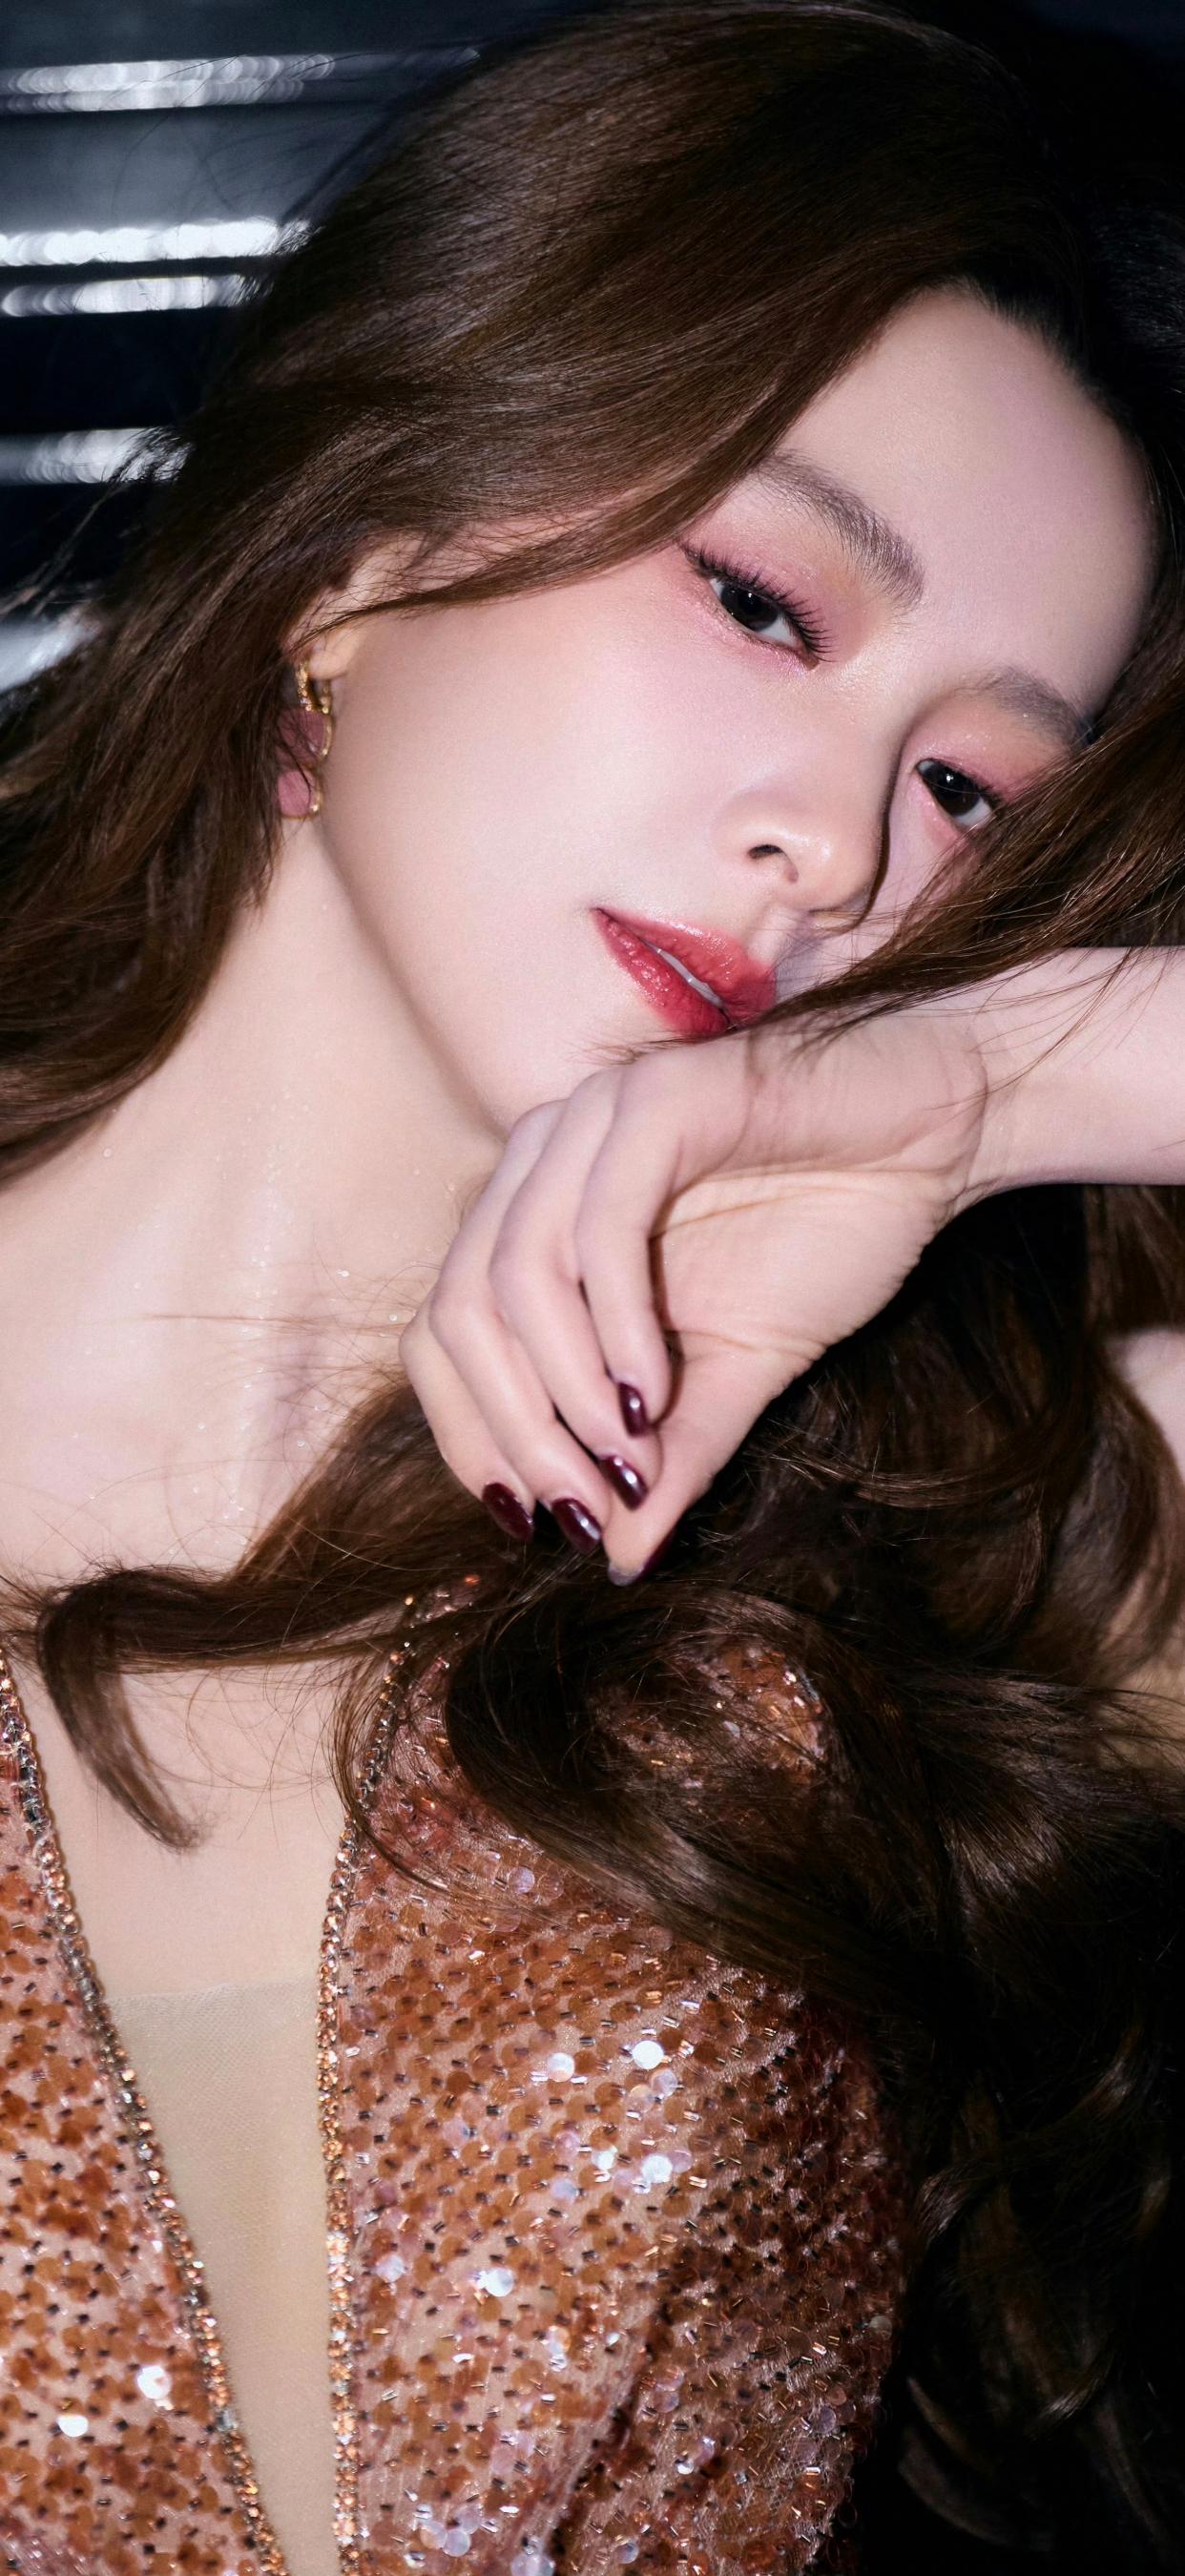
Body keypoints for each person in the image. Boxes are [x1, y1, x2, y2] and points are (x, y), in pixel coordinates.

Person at [0, 2, 1183, 2568]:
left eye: (969, 786)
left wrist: (1001, 1084)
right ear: (362, 541)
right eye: (764, 604)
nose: (840, 849)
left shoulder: (949, 1545)